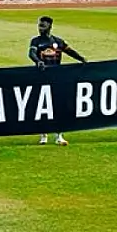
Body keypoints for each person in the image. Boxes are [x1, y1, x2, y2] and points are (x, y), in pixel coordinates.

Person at [29, 16, 87, 146]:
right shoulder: (36, 41)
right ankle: (43, 134)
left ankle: (59, 135)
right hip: (41, 77)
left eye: (43, 26)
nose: (40, 28)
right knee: (42, 106)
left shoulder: (58, 42)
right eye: (39, 26)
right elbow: (31, 54)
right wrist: (38, 61)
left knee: (57, 106)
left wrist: (82, 59)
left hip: (57, 78)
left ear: (50, 27)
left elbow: (70, 51)